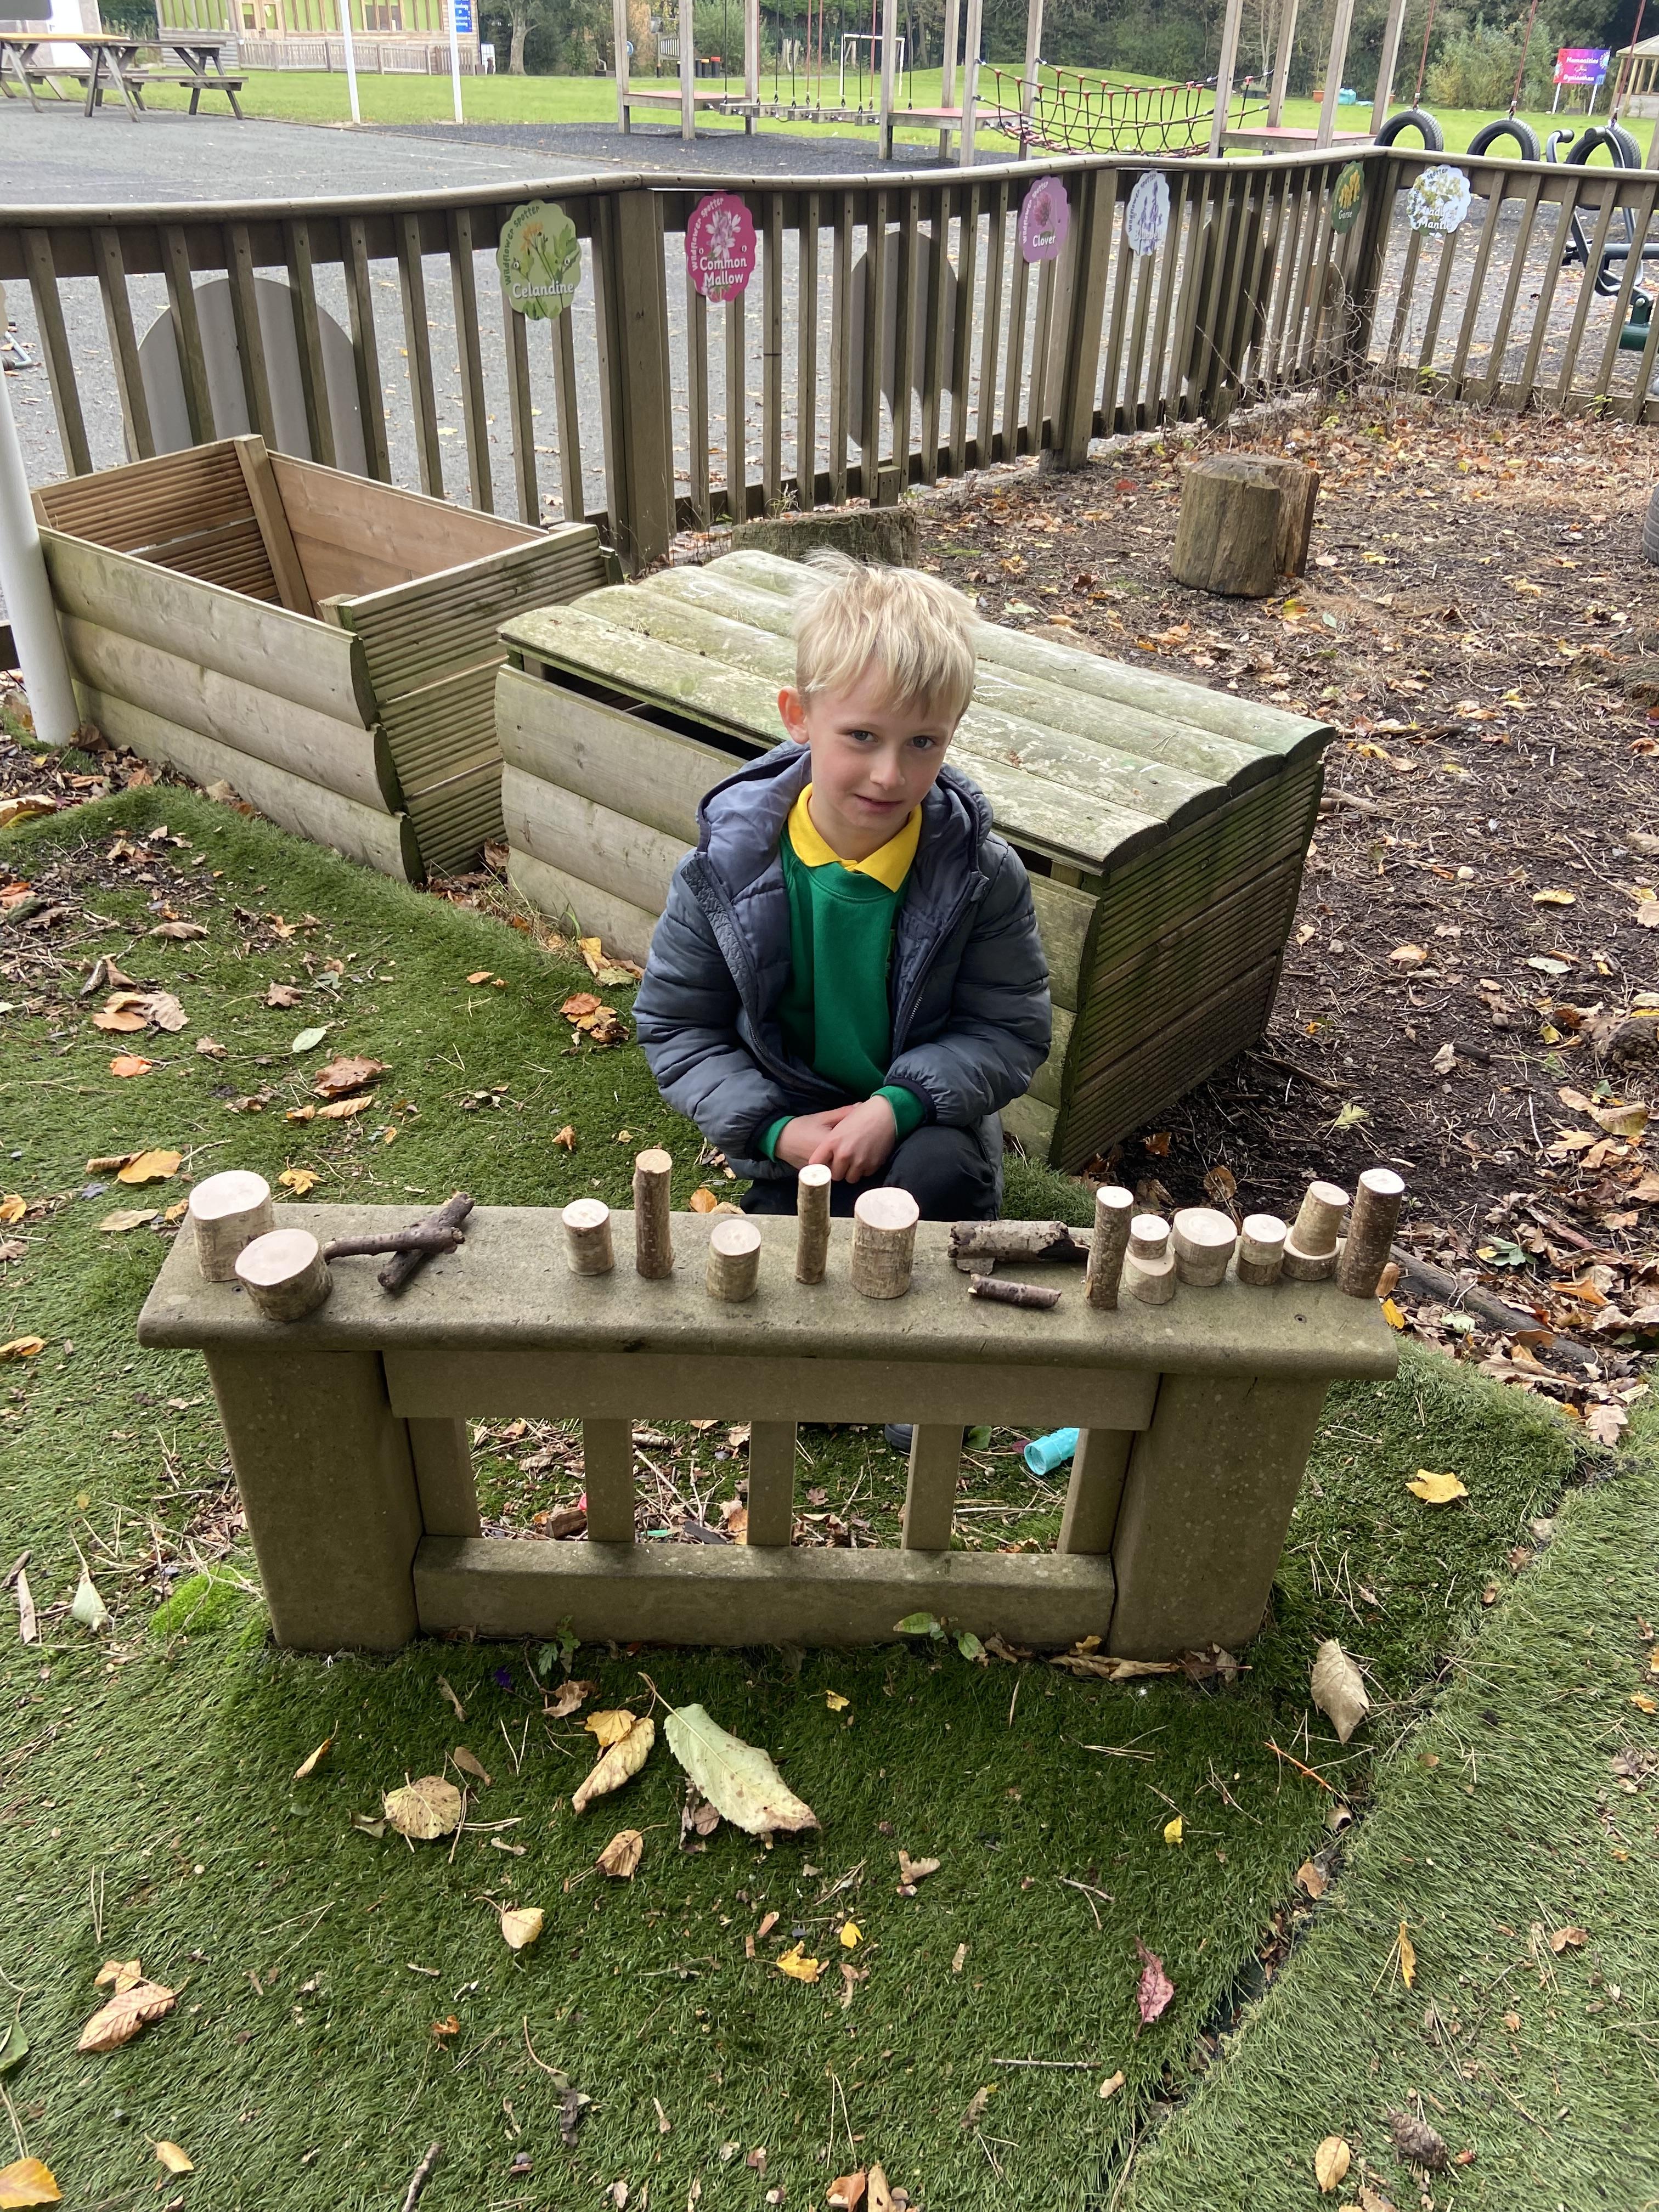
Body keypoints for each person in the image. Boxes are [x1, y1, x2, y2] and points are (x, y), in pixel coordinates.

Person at [633, 554, 1051, 1238]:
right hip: (794, 1124)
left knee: (937, 1185)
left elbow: (1008, 1030)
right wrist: (774, 1130)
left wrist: (896, 1105)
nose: (889, 775)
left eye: (923, 742)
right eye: (862, 736)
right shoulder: (720, 870)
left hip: (923, 1122)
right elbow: (678, 1026)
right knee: (788, 1254)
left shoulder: (982, 875)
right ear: (798, 716)